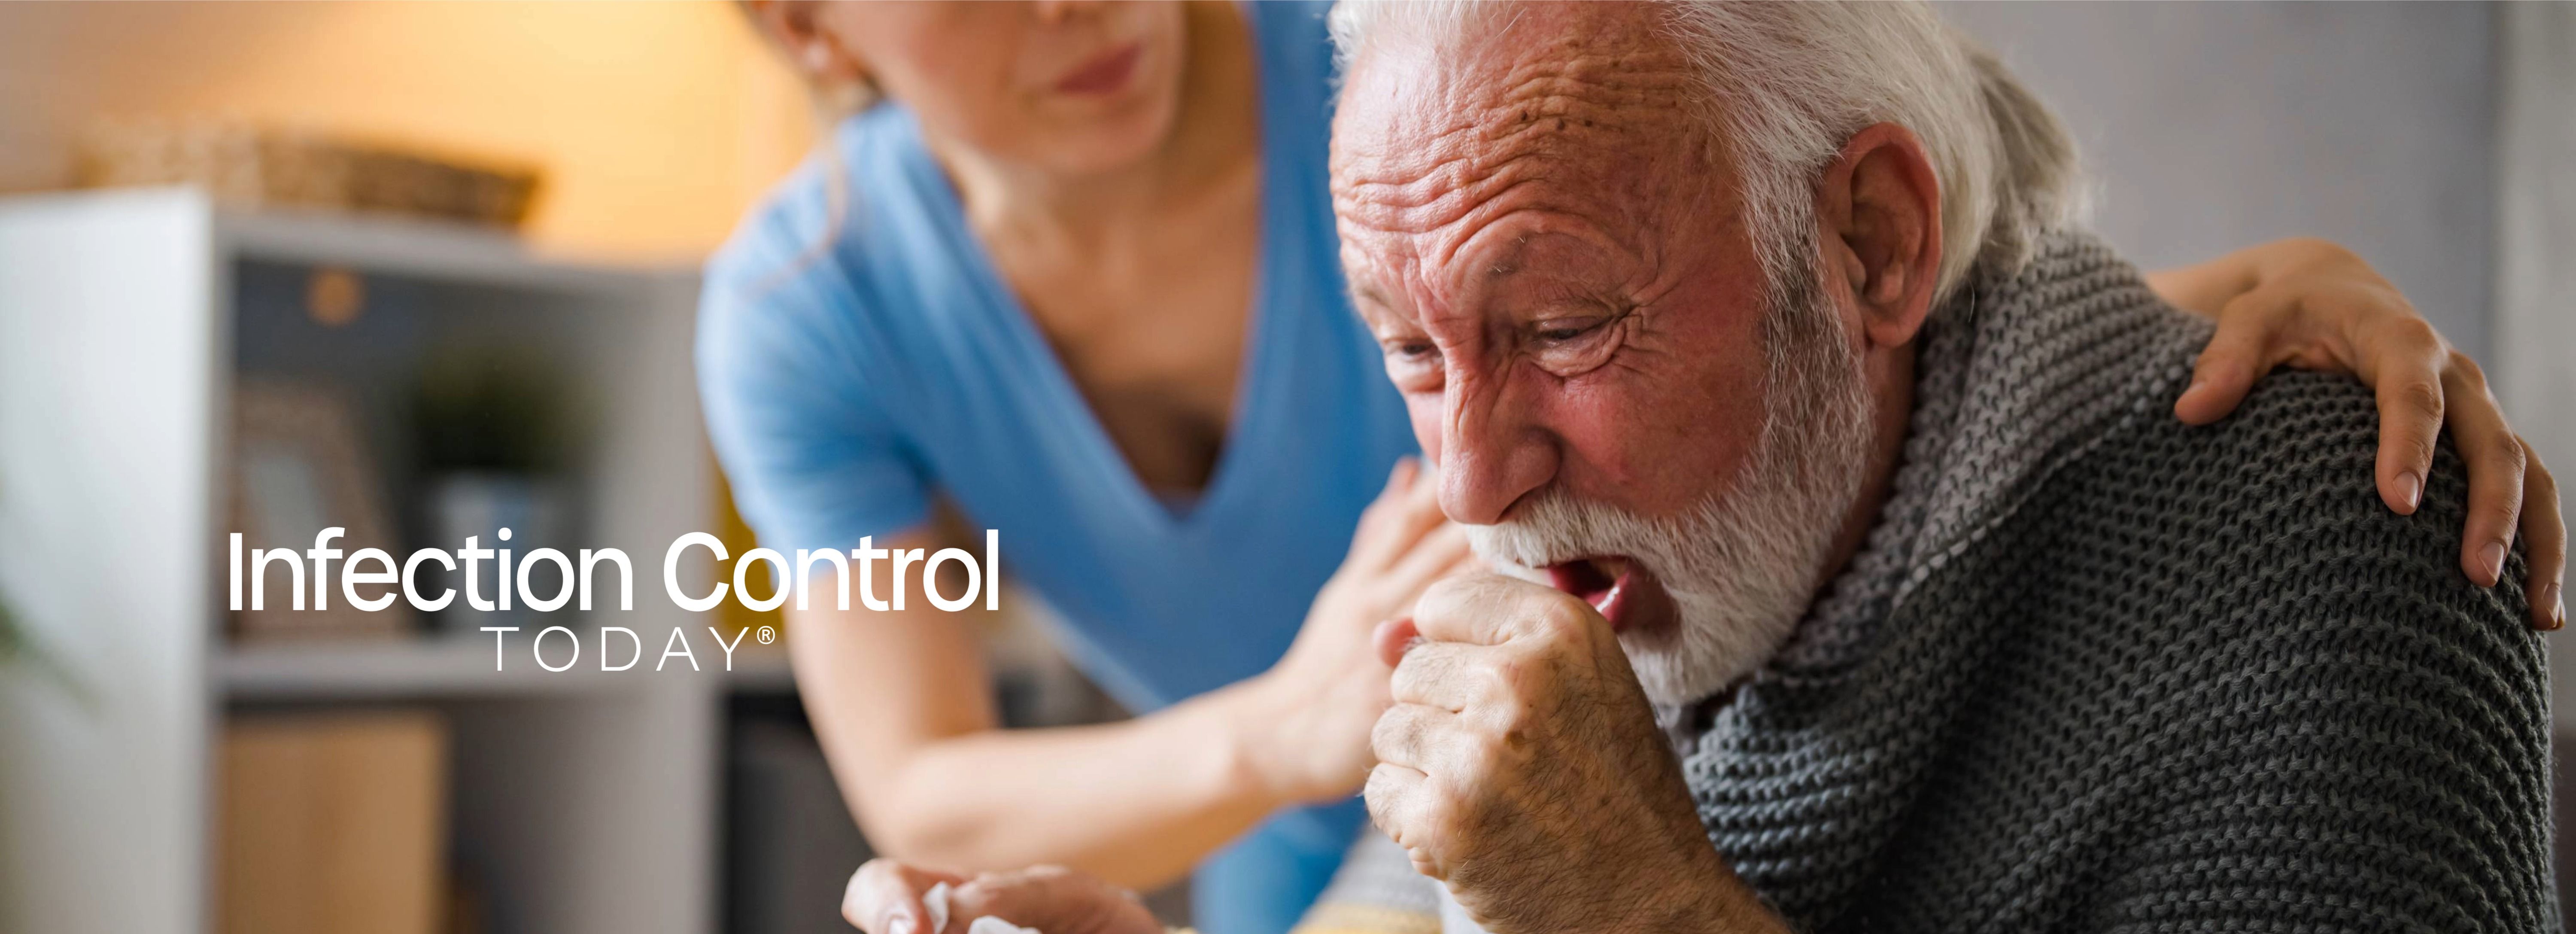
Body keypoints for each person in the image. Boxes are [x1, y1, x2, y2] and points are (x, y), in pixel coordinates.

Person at [705, 3, 2566, 933]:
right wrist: (1294, 727)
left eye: (1556, 332)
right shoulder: (806, 306)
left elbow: (1850, 267)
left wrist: (2233, 304)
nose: (1472, 488)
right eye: (1404, 354)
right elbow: (921, 785)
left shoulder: (1366, 57)